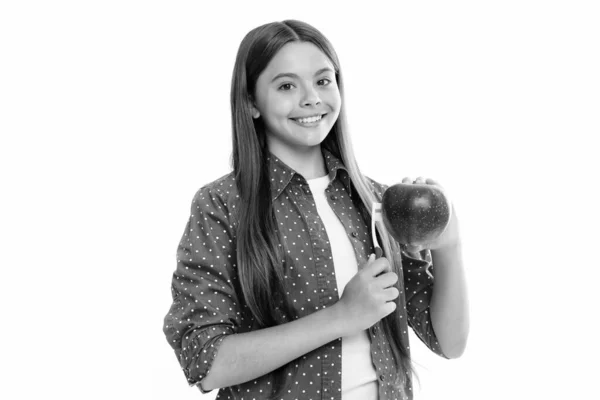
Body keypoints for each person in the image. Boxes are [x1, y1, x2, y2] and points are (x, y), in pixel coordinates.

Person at [163, 19, 469, 400]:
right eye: (287, 85)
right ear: (251, 102)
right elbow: (205, 361)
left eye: (323, 80)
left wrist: (448, 247)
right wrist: (342, 317)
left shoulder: (377, 201)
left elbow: (449, 342)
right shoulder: (222, 205)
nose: (311, 98)